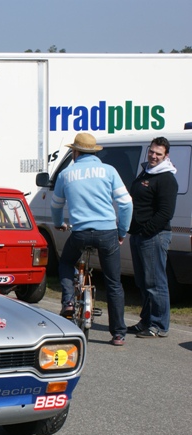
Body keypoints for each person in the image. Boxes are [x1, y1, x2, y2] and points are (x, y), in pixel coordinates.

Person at [51, 133, 133, 346]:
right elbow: (126, 204)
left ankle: (68, 302)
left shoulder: (66, 174)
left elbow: (56, 205)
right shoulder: (109, 171)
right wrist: (122, 232)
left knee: (66, 262)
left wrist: (59, 223)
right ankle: (118, 333)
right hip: (107, 233)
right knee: (114, 283)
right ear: (94, 152)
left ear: (75, 152)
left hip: (80, 233)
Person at [127, 137, 178, 338]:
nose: (153, 156)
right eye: (151, 151)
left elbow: (166, 213)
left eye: (158, 153)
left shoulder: (166, 178)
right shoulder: (146, 171)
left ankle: (159, 325)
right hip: (138, 235)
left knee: (156, 283)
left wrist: (146, 231)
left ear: (166, 156)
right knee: (143, 282)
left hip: (154, 236)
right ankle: (146, 321)